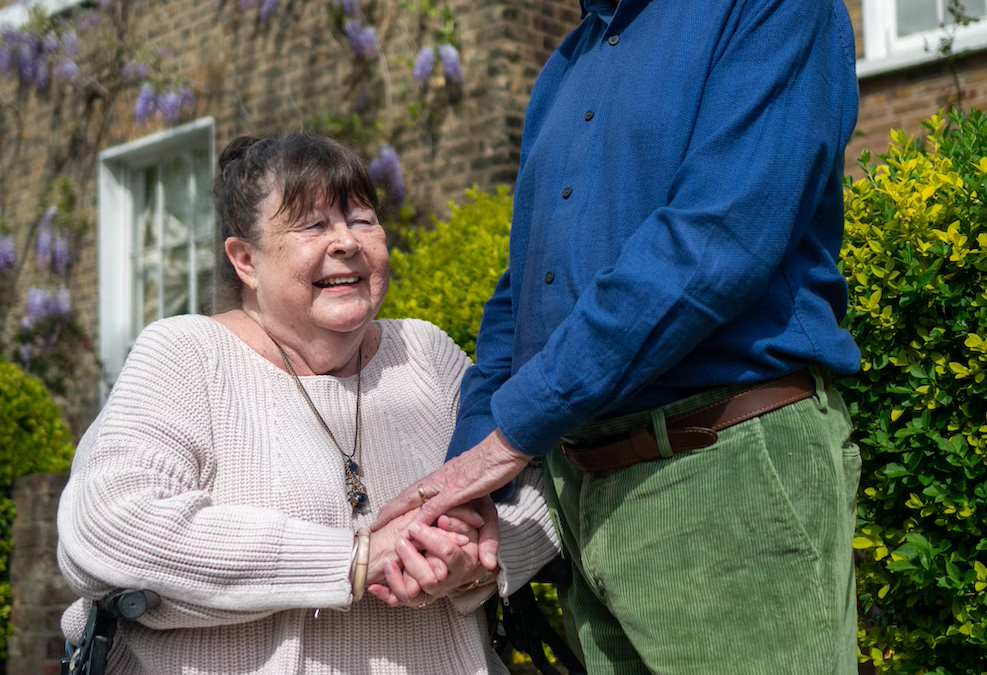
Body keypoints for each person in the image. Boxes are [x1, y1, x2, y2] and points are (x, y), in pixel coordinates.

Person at [373, 0, 863, 673]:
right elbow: (524, 295)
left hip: (723, 468)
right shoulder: (563, 68)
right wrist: (467, 486)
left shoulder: (767, 8)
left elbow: (713, 243)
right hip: (586, 491)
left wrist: (511, 434)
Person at [56, 131, 559, 675]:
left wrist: (480, 559)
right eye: (313, 225)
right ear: (245, 259)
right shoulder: (187, 356)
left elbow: (543, 483)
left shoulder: (424, 351)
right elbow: (108, 526)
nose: (345, 241)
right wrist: (356, 558)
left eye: (362, 219)